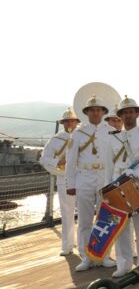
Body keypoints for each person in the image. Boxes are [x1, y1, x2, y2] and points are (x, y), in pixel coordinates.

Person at [105, 97, 139, 278]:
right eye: (124, 113)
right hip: (117, 188)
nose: (128, 115)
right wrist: (106, 190)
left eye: (131, 112)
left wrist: (136, 174)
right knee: (121, 228)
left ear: (137, 114)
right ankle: (124, 264)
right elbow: (108, 166)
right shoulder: (112, 138)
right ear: (120, 116)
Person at [65, 95, 116, 271]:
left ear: (103, 112)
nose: (95, 113)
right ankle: (86, 257)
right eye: (92, 110)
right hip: (84, 178)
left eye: (98, 110)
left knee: (105, 220)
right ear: (86, 112)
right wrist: (70, 184)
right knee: (84, 221)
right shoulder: (78, 133)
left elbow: (116, 157)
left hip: (104, 179)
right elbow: (71, 160)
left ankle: (104, 255)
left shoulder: (111, 131)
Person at [39, 108, 80, 256]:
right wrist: (58, 162)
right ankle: (67, 246)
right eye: (66, 121)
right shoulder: (55, 140)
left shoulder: (84, 136)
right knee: (67, 213)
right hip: (64, 179)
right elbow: (43, 159)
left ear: (77, 122)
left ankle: (85, 246)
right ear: (62, 123)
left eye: (72, 121)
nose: (69, 123)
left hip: (83, 178)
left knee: (85, 214)